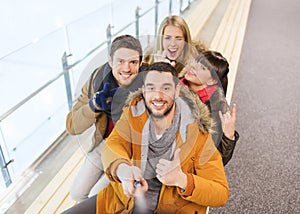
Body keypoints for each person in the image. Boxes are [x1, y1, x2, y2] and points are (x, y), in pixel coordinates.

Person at [62, 62, 229, 214]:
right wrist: (123, 169)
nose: (157, 96)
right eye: (151, 88)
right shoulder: (132, 114)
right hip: (124, 201)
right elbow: (113, 144)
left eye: (165, 88)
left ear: (177, 91)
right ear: (143, 90)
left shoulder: (197, 131)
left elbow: (221, 193)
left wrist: (182, 180)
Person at [65, 34, 145, 201]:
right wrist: (94, 105)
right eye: (120, 61)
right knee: (77, 193)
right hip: (104, 144)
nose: (126, 68)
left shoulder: (148, 82)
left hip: (130, 152)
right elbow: (72, 126)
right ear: (110, 61)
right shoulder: (97, 80)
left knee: (96, 197)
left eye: (133, 62)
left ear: (141, 63)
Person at [180, 50, 239, 165]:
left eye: (202, 68)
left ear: (212, 80)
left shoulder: (216, 108)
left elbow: (217, 160)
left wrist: (228, 137)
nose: (193, 67)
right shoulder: (176, 85)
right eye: (196, 62)